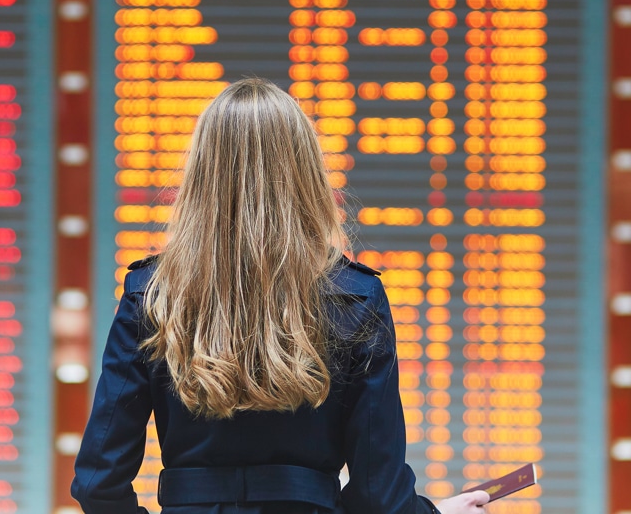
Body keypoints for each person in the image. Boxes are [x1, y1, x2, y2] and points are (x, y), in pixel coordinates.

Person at [72, 78, 490, 514]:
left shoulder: (152, 294)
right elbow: (377, 495)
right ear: (306, 171)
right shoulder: (357, 297)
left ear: (200, 174)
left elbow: (99, 483)